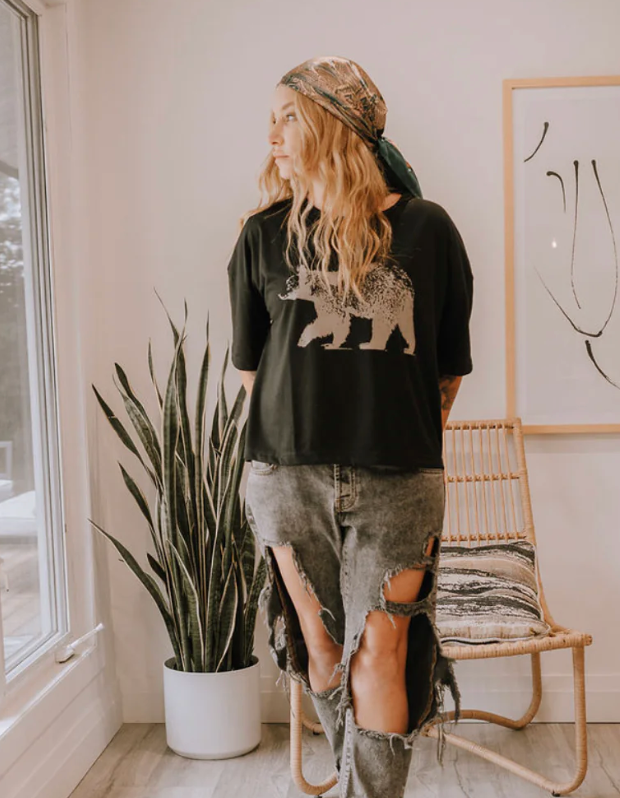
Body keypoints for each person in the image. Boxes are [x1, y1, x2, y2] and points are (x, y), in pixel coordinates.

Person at [226, 55, 474, 798]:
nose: (272, 132)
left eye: (289, 116)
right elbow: (254, 374)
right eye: (270, 117)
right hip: (284, 476)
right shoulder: (262, 236)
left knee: (382, 653)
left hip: (399, 481)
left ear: (334, 126)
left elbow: (446, 372)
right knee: (323, 649)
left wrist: (391, 433)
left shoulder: (428, 230)